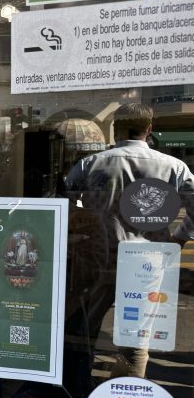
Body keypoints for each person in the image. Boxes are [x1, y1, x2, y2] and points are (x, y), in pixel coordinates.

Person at [64, 103, 194, 378]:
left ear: (115, 128)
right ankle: (126, 396)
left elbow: (65, 204)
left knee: (83, 332)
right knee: (135, 341)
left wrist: (78, 232)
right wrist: (179, 239)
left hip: (98, 257)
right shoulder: (174, 167)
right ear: (149, 129)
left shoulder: (91, 164)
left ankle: (79, 390)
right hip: (146, 264)